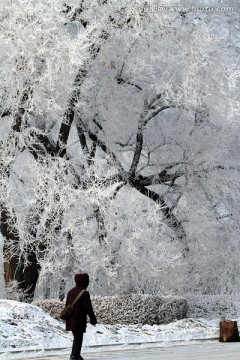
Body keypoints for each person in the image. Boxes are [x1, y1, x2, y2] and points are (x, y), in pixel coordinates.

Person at [66, 273, 97, 360]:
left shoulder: (70, 292)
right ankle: (75, 355)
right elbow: (88, 308)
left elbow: (67, 306)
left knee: (77, 337)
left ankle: (74, 354)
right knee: (78, 338)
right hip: (78, 320)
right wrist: (93, 319)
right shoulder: (84, 293)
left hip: (70, 319)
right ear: (85, 282)